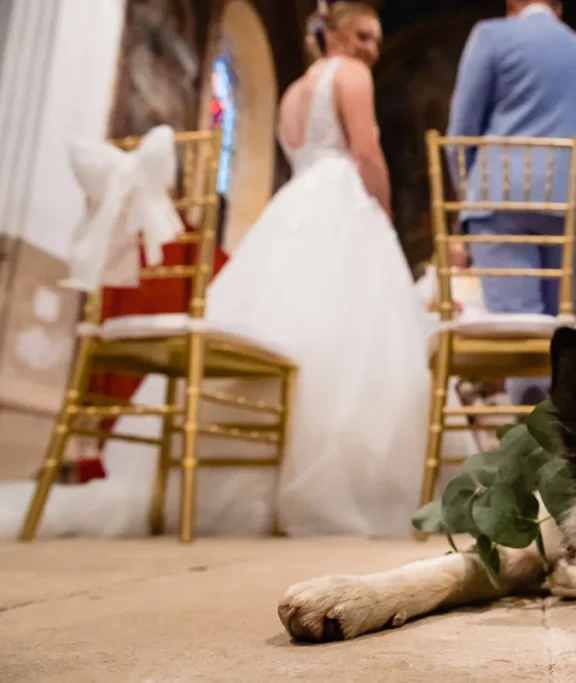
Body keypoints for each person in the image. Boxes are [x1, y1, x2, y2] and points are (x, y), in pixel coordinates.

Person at [0, 1, 431, 539]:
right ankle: (348, 486)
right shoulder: (352, 75)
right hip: (342, 202)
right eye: (364, 35)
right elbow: (365, 151)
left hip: (295, 205)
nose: (373, 48)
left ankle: (246, 474)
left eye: (377, 39)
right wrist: (384, 213)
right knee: (353, 341)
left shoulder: (294, 91)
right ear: (336, 34)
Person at [446, 0, 576, 405]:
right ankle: (558, 429)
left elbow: (460, 136)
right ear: (559, 7)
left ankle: (527, 426)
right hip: (570, 208)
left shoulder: (492, 36)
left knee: (518, 334)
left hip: (499, 201)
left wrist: (468, 203)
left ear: (511, 5)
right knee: (558, 336)